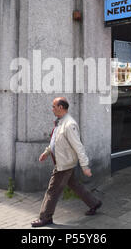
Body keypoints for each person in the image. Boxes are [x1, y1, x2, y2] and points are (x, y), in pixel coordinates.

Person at [31, 97, 102, 228]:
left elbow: (78, 146)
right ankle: (94, 203)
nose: (52, 109)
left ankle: (45, 217)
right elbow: (56, 141)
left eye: (53, 106)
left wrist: (85, 166)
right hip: (63, 162)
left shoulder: (69, 124)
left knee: (52, 191)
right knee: (75, 185)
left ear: (61, 107)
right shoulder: (60, 122)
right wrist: (47, 152)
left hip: (64, 165)